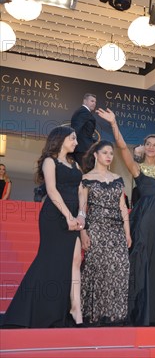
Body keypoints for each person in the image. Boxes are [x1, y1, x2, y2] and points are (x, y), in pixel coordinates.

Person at [96, 108, 155, 327]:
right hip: (143, 220)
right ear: (144, 147)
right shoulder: (137, 168)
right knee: (140, 263)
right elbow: (123, 148)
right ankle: (137, 313)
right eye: (149, 144)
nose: (152, 148)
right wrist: (115, 124)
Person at [2, 126, 85, 328]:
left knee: (75, 258)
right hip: (54, 215)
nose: (76, 142)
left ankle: (75, 307)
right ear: (61, 139)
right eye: (72, 138)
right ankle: (28, 309)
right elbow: (51, 190)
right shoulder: (50, 161)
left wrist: (81, 215)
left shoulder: (75, 165)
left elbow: (82, 189)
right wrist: (67, 216)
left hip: (74, 215)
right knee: (48, 260)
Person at [79, 140, 131, 326]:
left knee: (120, 269)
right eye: (105, 152)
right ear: (95, 155)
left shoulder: (117, 178)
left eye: (111, 153)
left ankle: (114, 314)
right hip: (96, 228)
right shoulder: (85, 178)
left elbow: (123, 207)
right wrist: (83, 232)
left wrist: (127, 232)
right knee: (98, 270)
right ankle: (94, 314)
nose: (109, 156)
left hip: (117, 230)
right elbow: (82, 209)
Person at [71, 93, 97, 166]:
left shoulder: (84, 112)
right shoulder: (83, 111)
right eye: (92, 101)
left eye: (95, 102)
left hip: (83, 149)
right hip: (82, 150)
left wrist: (96, 142)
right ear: (85, 101)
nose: (94, 103)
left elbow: (86, 133)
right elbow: (75, 130)